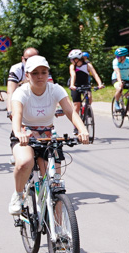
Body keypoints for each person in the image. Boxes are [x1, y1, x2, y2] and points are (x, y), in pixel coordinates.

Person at [9, 56, 90, 215]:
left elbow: (69, 111)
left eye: (43, 72)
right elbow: (17, 114)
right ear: (27, 76)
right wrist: (19, 132)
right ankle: (18, 195)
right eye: (35, 73)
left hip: (48, 134)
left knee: (55, 185)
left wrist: (82, 130)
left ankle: (60, 234)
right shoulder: (21, 92)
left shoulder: (55, 89)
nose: (40, 76)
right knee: (25, 162)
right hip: (25, 133)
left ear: (48, 74)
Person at [67, 49, 104, 121]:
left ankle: (86, 109)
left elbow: (95, 74)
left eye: (72, 59)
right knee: (76, 106)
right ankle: (76, 125)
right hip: (75, 85)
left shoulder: (87, 65)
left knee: (89, 97)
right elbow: (73, 75)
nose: (71, 61)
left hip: (85, 84)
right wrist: (72, 85)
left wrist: (100, 84)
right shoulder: (72, 66)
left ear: (77, 59)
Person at [112, 47, 129, 114]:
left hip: (126, 79)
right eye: (116, 56)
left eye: (118, 56)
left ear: (123, 57)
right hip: (116, 78)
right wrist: (119, 82)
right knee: (119, 88)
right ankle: (116, 103)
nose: (117, 57)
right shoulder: (115, 61)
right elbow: (117, 73)